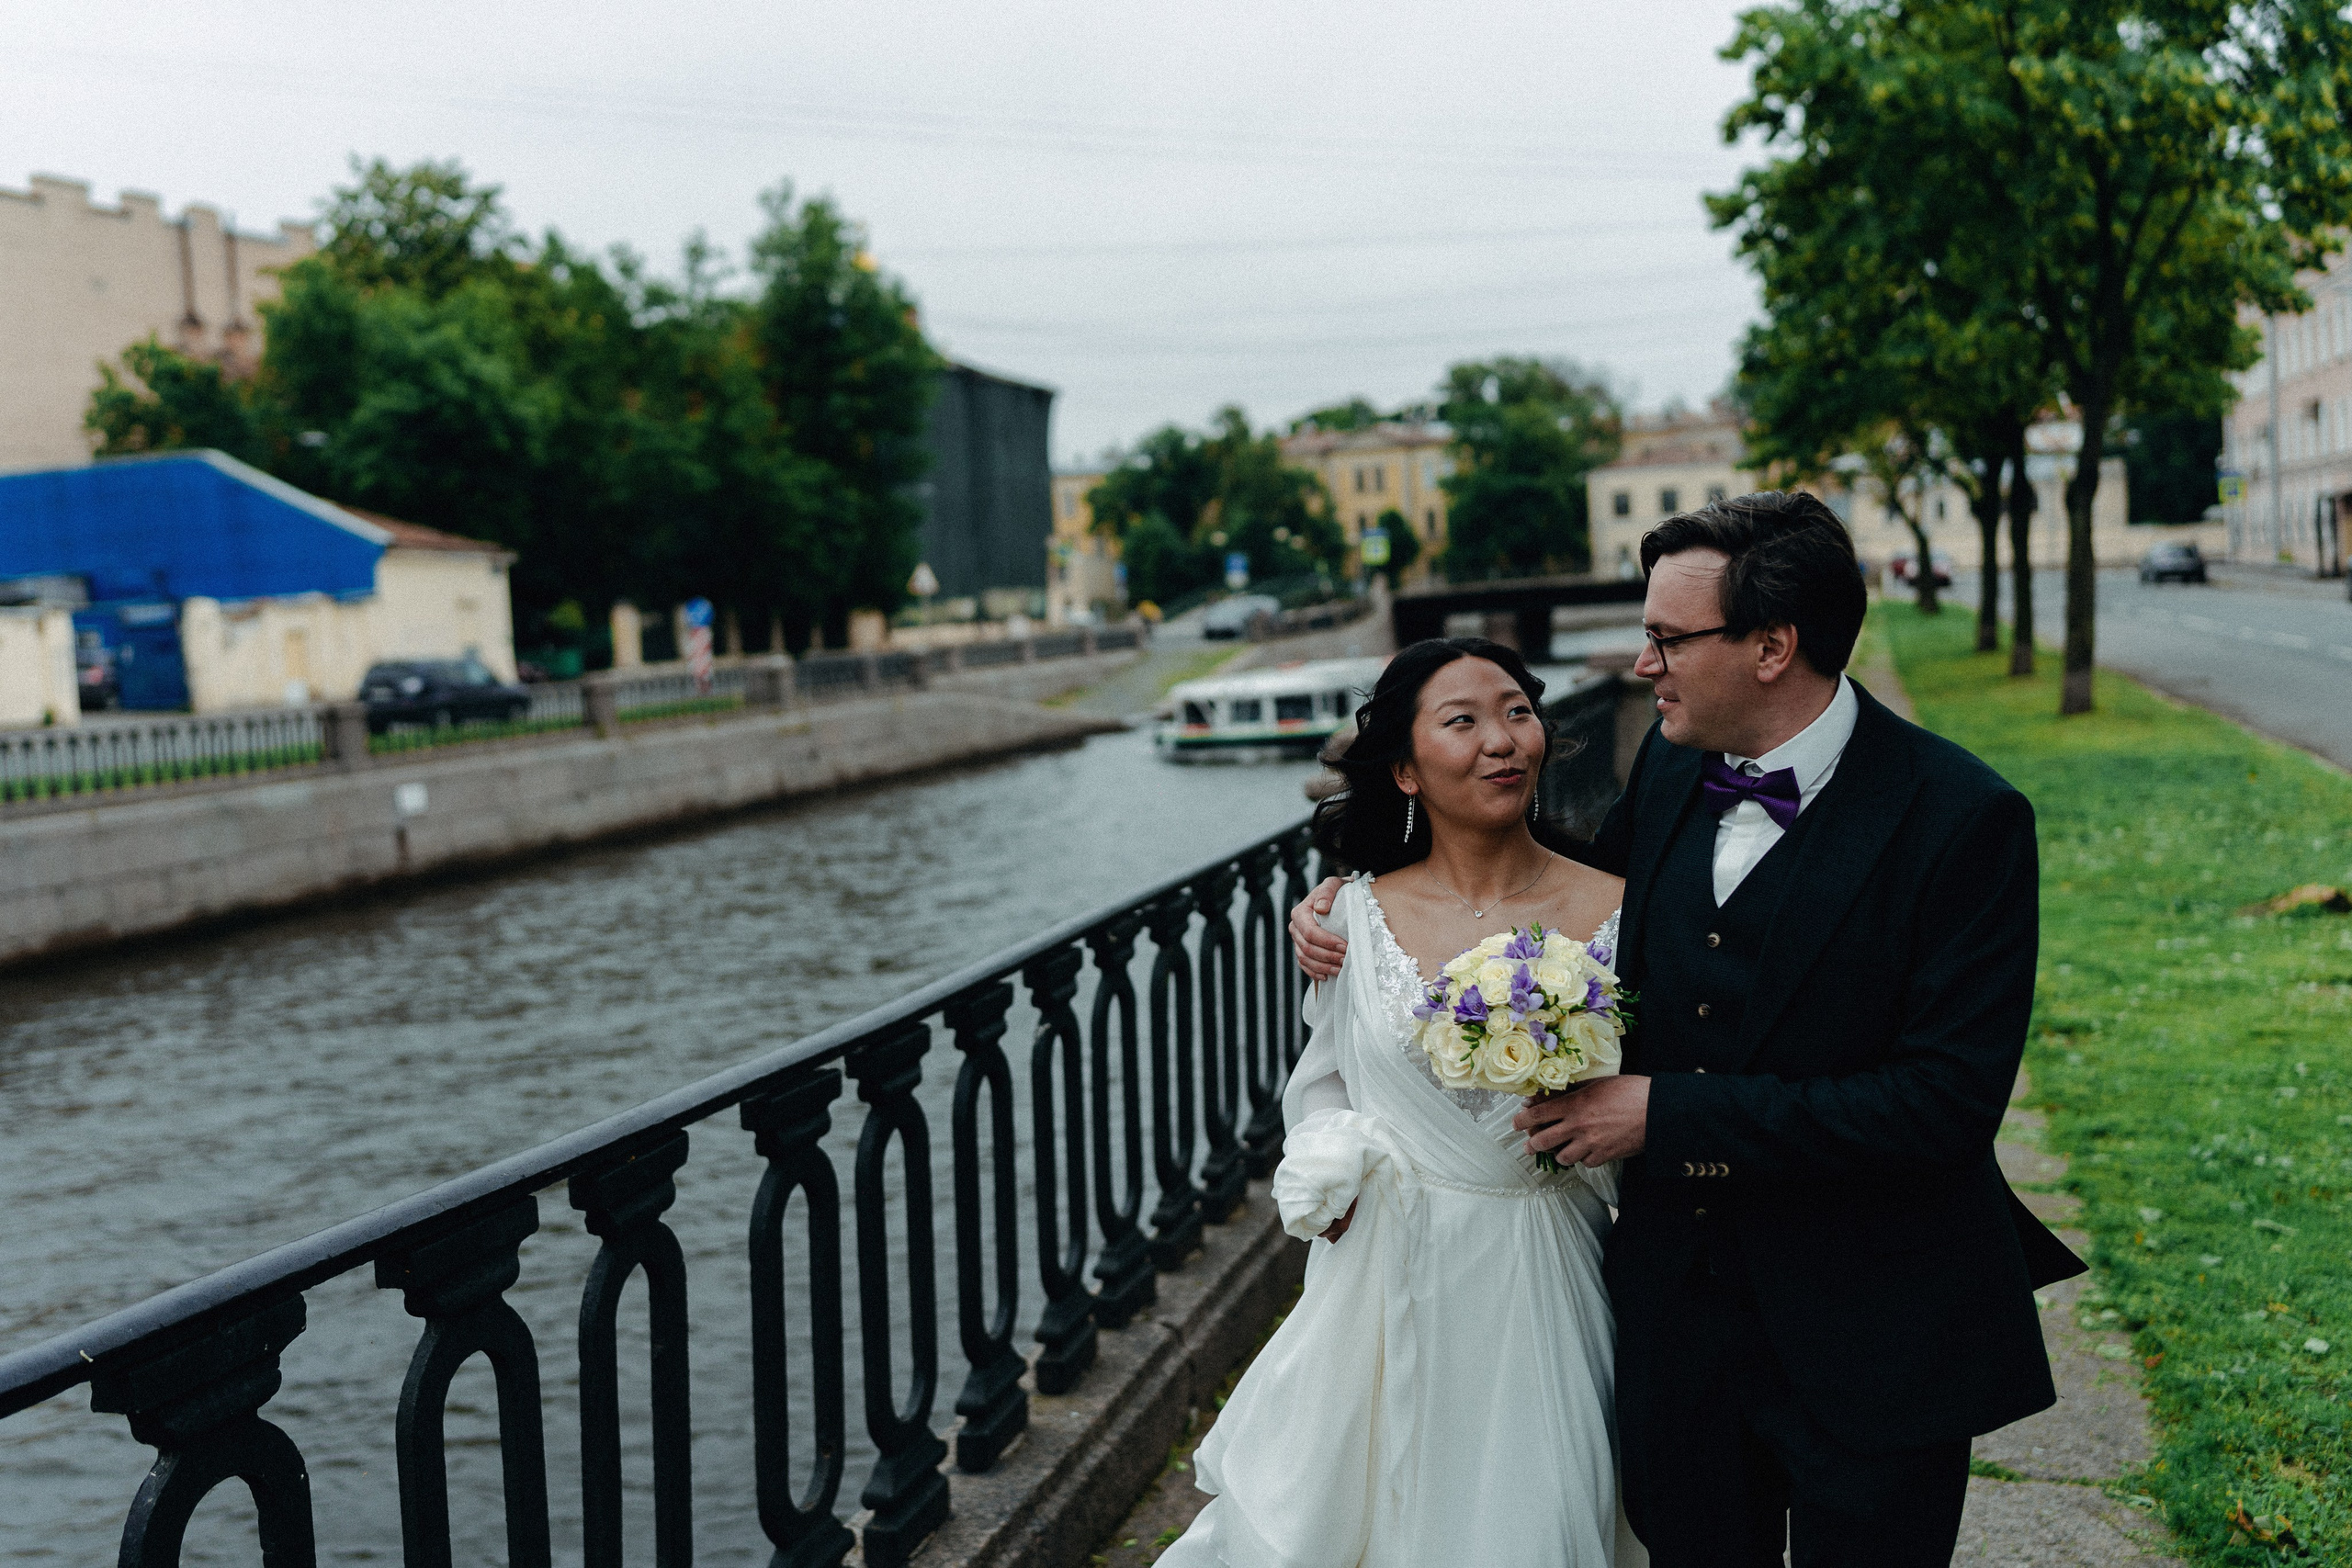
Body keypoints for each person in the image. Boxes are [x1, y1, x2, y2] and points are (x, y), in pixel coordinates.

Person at [1288, 491, 2083, 1567]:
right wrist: (1361, 904)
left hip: (1877, 1329)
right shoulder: (1669, 765)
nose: (1640, 664)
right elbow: (1560, 920)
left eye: (1665, 637)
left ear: (1771, 646)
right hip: (1674, 1330)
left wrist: (1666, 1113)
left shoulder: (1963, 820)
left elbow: (1940, 1105)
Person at [1159, 637, 1646, 1567]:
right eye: (1462, 722)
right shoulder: (1348, 918)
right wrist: (1327, 1171)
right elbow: (1323, 1082)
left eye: (1515, 712)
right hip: (1381, 1287)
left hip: (1546, 1274)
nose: (1503, 741)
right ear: (1405, 769)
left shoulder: (1623, 908)